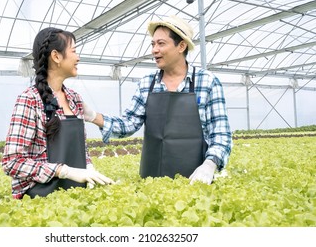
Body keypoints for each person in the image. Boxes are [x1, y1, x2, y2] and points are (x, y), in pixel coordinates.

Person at [84, 15, 232, 185]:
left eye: (161, 44)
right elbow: (130, 123)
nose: (154, 50)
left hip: (196, 181)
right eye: (153, 44)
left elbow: (221, 134)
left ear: (181, 46)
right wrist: (93, 116)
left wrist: (210, 164)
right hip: (152, 180)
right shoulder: (147, 83)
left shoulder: (207, 82)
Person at [2, 27, 114, 199]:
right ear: (56, 56)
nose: (78, 57)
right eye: (74, 51)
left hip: (76, 195)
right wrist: (63, 171)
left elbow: (80, 150)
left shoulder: (74, 99)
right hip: (40, 199)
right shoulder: (30, 99)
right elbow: (12, 162)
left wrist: (88, 167)